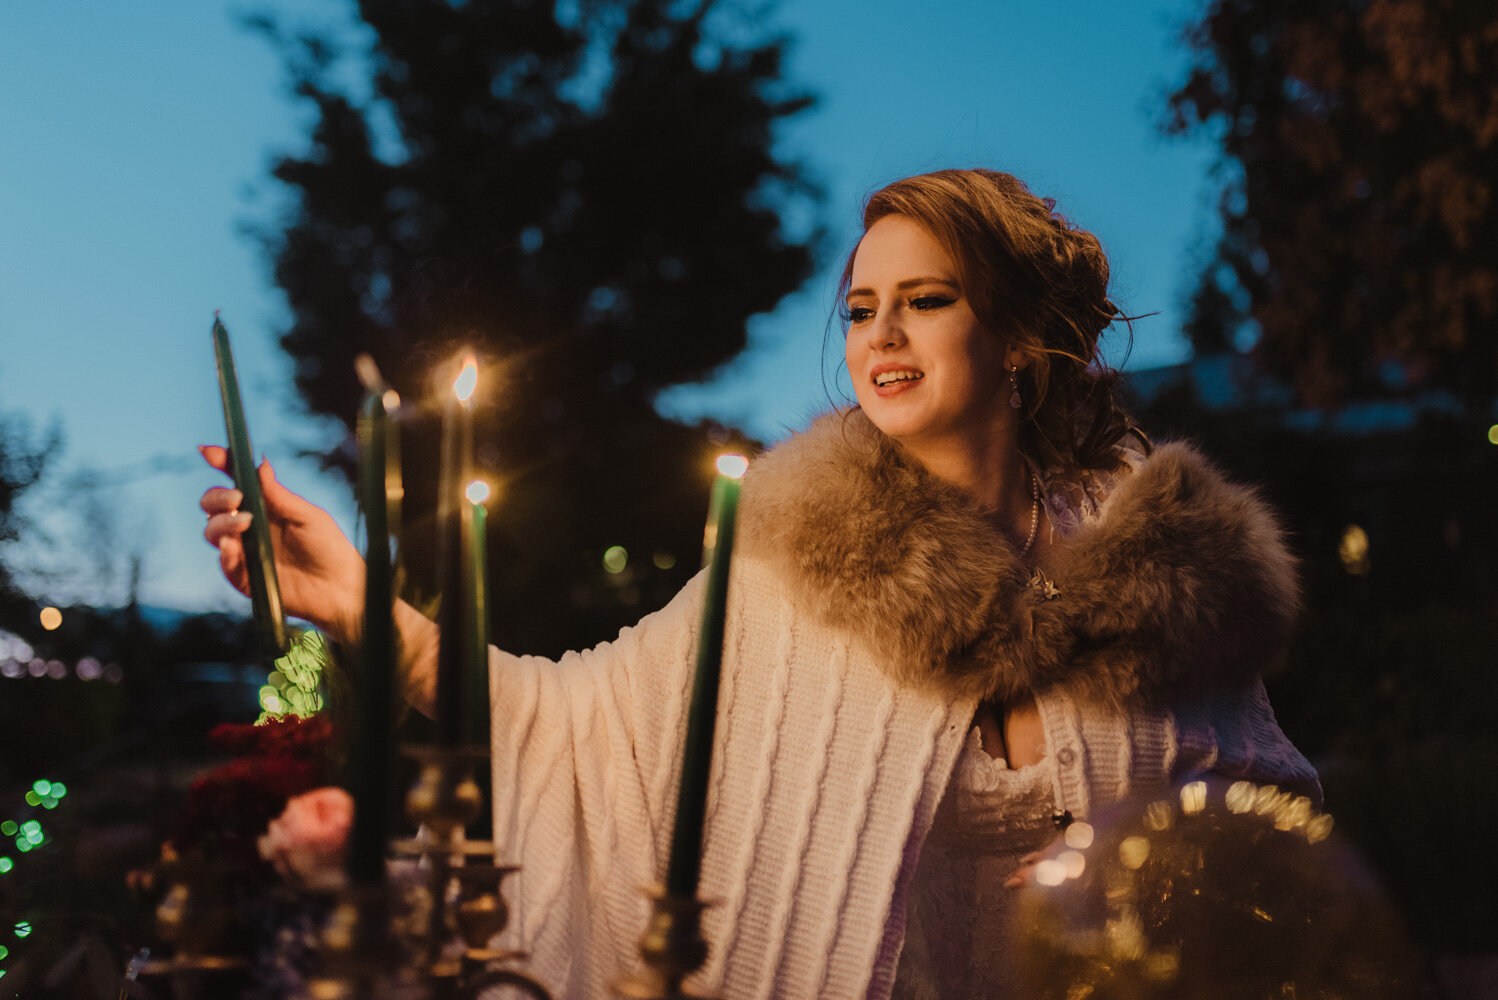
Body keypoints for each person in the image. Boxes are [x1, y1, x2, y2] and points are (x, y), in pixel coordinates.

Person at [202, 168, 1321, 1000]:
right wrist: (357, 599)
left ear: (1021, 335)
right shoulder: (793, 565)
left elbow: (1270, 819)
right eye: (861, 306)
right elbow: (575, 727)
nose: (879, 333)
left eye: (924, 299)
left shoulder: (1163, 577)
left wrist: (1150, 874)